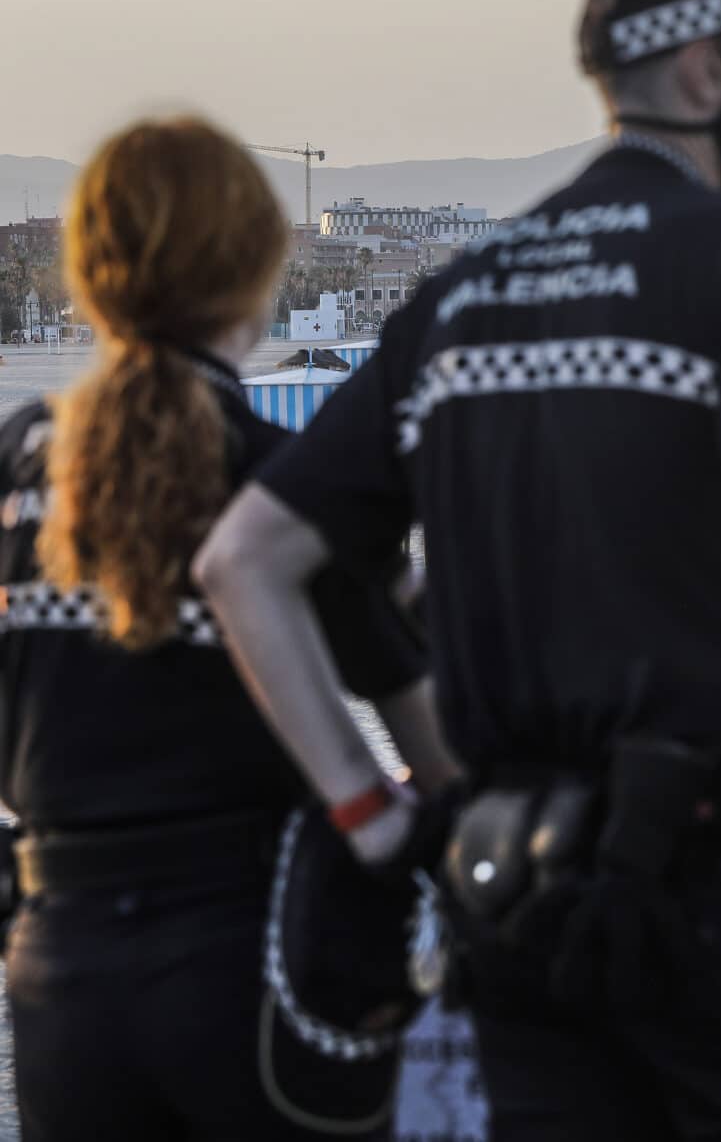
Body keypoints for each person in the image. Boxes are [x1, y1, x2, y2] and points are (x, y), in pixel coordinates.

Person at [195, 0, 721, 1140]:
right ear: (709, 73)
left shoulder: (463, 292)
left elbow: (244, 560)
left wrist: (370, 812)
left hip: (517, 913)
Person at [0, 117, 458, 1140]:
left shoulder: (22, 463)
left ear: (86, 271)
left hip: (57, 976)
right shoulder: (280, 482)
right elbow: (423, 735)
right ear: (257, 269)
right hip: (251, 965)